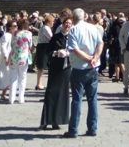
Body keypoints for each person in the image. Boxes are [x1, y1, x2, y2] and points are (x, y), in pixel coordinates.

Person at [65, 8, 104, 138]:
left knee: (77, 99)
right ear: (85, 17)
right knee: (92, 99)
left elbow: (74, 49)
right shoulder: (93, 28)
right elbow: (100, 43)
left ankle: (73, 129)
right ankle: (92, 128)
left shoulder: (74, 30)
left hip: (79, 68)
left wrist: (89, 58)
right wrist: (95, 58)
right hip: (93, 68)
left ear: (74, 18)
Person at [40, 15, 73, 130]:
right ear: (62, 24)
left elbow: (76, 51)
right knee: (51, 92)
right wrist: (56, 53)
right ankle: (45, 120)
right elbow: (48, 52)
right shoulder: (56, 37)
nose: (67, 25)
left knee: (63, 94)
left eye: (69, 23)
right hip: (55, 68)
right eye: (66, 23)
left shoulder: (73, 38)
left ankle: (57, 120)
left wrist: (69, 53)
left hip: (67, 68)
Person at [8, 18, 33, 104]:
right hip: (24, 57)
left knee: (13, 77)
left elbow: (11, 44)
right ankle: (21, 98)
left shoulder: (14, 33)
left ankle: (11, 98)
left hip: (14, 56)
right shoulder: (29, 33)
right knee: (22, 78)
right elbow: (30, 45)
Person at [35, 13, 54, 90]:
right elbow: (51, 38)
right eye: (52, 21)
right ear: (49, 21)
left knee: (41, 67)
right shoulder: (46, 28)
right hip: (44, 47)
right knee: (41, 67)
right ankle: (39, 84)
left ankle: (39, 83)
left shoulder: (44, 27)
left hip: (42, 46)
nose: (53, 23)